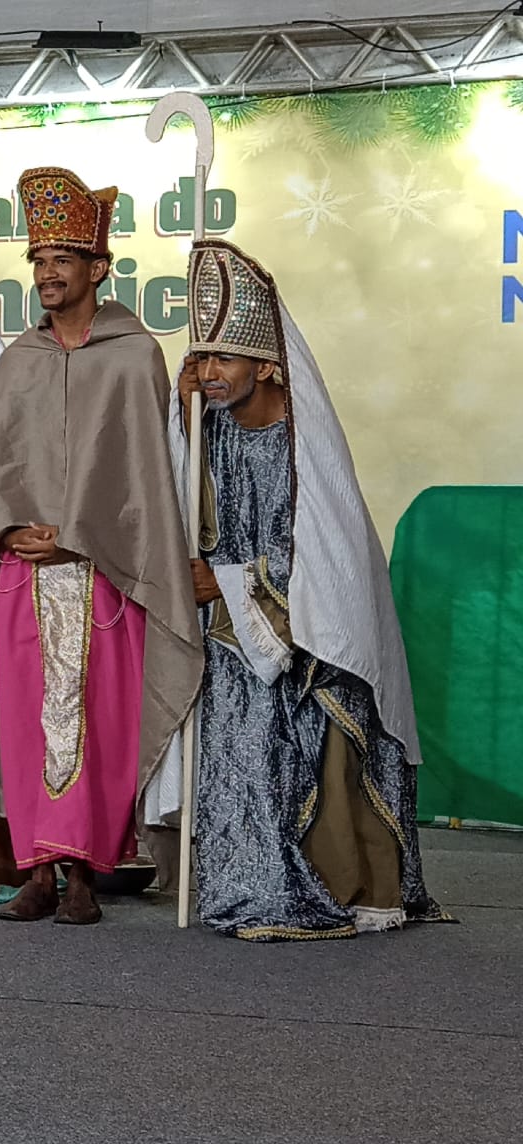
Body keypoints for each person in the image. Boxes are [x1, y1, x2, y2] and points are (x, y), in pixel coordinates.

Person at [0, 166, 202, 925]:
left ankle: (87, 870)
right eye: (39, 261)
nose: (47, 274)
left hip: (103, 574)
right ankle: (39, 869)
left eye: (62, 261)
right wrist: (6, 530)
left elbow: (147, 481)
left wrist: (85, 535)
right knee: (26, 722)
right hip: (21, 576)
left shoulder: (134, 355)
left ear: (98, 268)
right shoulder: (19, 360)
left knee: (99, 723)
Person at [173, 238, 449, 939]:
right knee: (240, 760)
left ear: (267, 365)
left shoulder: (305, 445)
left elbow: (327, 565)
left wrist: (227, 582)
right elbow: (189, 509)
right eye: (201, 358)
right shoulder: (211, 430)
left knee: (304, 754)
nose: (208, 373)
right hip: (232, 635)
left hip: (304, 639)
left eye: (223, 359)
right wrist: (183, 415)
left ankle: (330, 889)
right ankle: (247, 891)